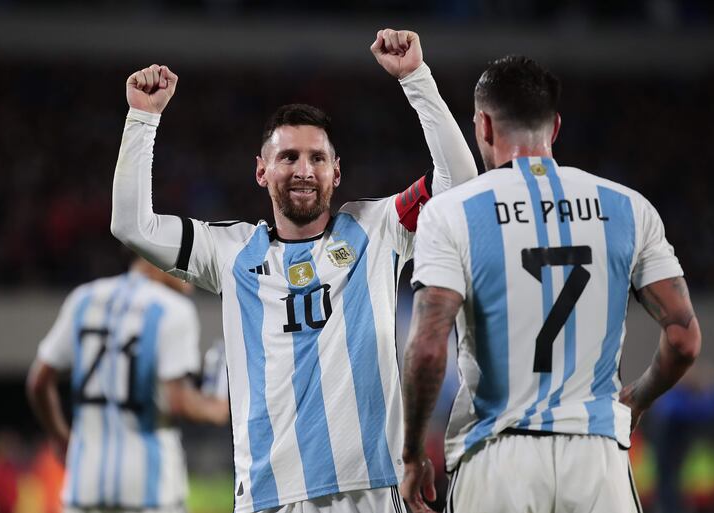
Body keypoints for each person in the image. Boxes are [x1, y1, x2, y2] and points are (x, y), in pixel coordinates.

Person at [110, 29, 477, 513]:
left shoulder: (376, 228)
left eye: (317, 158)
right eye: (288, 157)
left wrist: (416, 78)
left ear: (336, 172)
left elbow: (460, 182)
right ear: (262, 171)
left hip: (366, 490)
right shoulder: (231, 252)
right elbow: (131, 225)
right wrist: (143, 119)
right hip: (270, 498)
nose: (304, 169)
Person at [401, 55, 702, 512]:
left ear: (483, 125)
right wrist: (636, 399)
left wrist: (413, 452)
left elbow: (426, 348)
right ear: (555, 127)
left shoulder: (454, 212)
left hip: (497, 458)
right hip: (597, 456)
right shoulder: (627, 207)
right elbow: (683, 339)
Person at [27, 256, 230, 513]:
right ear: (153, 255)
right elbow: (178, 401)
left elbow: (38, 382)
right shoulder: (173, 310)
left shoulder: (84, 299)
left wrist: (62, 440)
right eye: (185, 260)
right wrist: (218, 409)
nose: (192, 274)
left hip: (85, 483)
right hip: (151, 488)